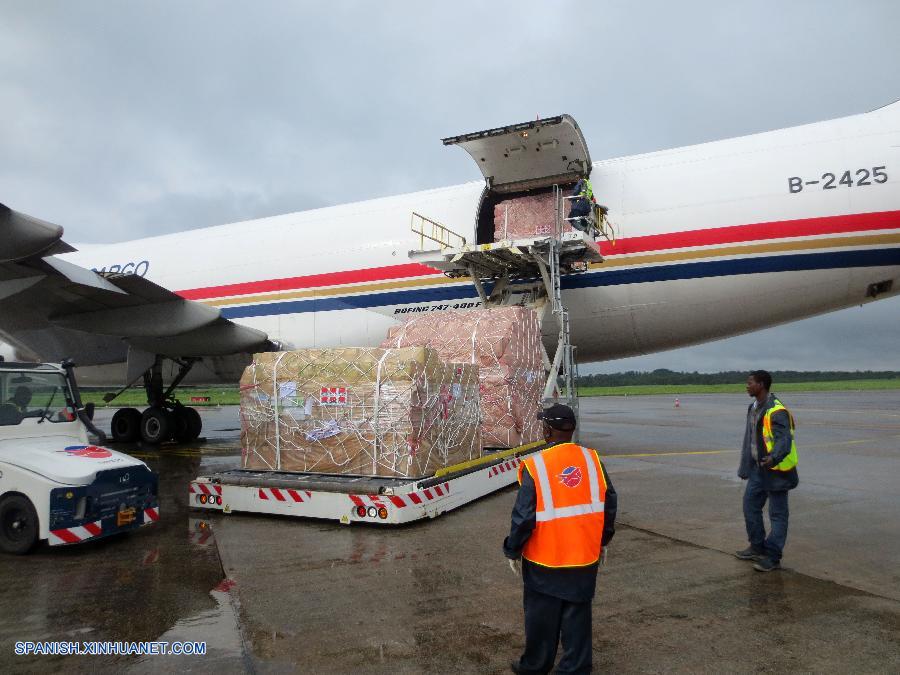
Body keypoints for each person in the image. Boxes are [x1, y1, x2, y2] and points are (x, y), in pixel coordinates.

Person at [503, 403, 617, 674]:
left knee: (540, 617)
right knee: (578, 616)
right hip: (583, 558)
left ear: (546, 431)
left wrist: (512, 549)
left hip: (545, 560)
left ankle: (535, 666)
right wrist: (603, 541)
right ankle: (575, 668)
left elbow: (524, 516)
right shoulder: (593, 461)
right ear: (572, 429)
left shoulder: (537, 466)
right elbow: (609, 503)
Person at [735, 370, 799, 572]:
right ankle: (757, 546)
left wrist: (773, 457)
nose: (747, 386)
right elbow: (750, 440)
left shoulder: (777, 411)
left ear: (761, 385)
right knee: (750, 506)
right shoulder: (753, 407)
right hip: (758, 469)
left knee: (777, 515)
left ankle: (772, 556)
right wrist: (746, 465)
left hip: (776, 470)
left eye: (750, 383)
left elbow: (784, 439)